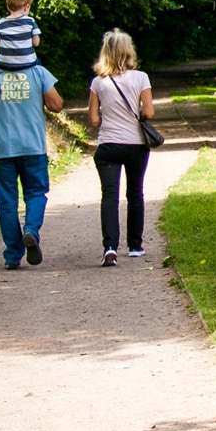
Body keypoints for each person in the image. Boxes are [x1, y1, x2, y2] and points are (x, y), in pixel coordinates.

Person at [0, 57, 63, 270]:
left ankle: (13, 255)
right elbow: (56, 105)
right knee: (36, 192)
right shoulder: (39, 73)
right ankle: (31, 229)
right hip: (32, 146)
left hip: (1, 148)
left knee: (6, 201)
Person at [87, 29, 155, 267]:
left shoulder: (98, 82)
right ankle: (135, 245)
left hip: (108, 145)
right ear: (128, 52)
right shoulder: (141, 78)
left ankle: (109, 247)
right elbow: (148, 112)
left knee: (109, 195)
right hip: (136, 144)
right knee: (135, 193)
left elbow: (94, 120)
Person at [0, 0, 41, 70]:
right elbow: (36, 43)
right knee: (40, 68)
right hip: (27, 63)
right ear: (27, 7)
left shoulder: (0, 23)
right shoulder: (30, 21)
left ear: (8, 7)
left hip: (4, 64)